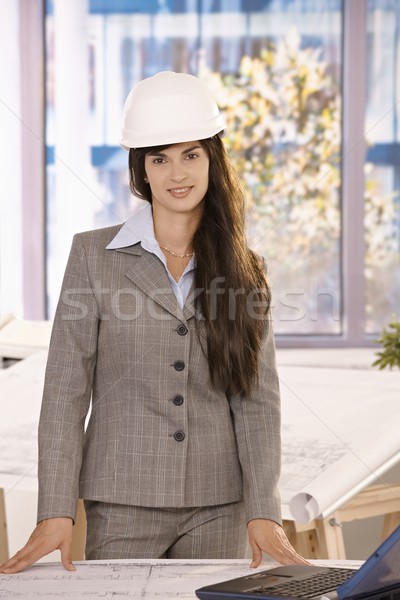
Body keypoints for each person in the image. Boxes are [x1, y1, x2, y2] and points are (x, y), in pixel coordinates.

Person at [0, 71, 307, 574]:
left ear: (213, 159)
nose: (176, 173)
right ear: (140, 170)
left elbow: (257, 400)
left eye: (190, 154)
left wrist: (263, 510)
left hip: (219, 505)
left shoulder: (245, 269)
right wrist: (56, 508)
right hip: (121, 499)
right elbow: (65, 389)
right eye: (158, 158)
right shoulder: (93, 256)